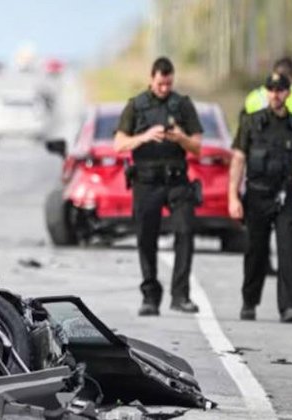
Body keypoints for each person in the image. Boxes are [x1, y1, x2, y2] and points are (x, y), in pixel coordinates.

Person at [114, 57, 203, 316]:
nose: (164, 88)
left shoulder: (183, 105)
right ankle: (150, 297)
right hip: (146, 181)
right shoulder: (136, 106)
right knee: (146, 238)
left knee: (185, 232)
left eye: (168, 83)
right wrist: (144, 136)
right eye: (160, 83)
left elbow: (197, 146)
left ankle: (181, 295)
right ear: (152, 79)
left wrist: (181, 138)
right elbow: (118, 144)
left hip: (177, 181)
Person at [229, 73, 292, 323]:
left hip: (288, 195)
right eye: (271, 89)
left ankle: (289, 307)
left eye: (280, 90)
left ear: (288, 93)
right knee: (256, 252)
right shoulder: (251, 123)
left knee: (289, 253)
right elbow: (238, 160)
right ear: (266, 92)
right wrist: (232, 197)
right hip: (257, 194)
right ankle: (249, 301)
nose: (275, 94)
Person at [243, 58, 292, 279]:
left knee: (260, 233)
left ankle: (263, 266)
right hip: (289, 170)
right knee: (290, 230)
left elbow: (243, 133)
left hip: (258, 173)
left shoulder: (254, 95)